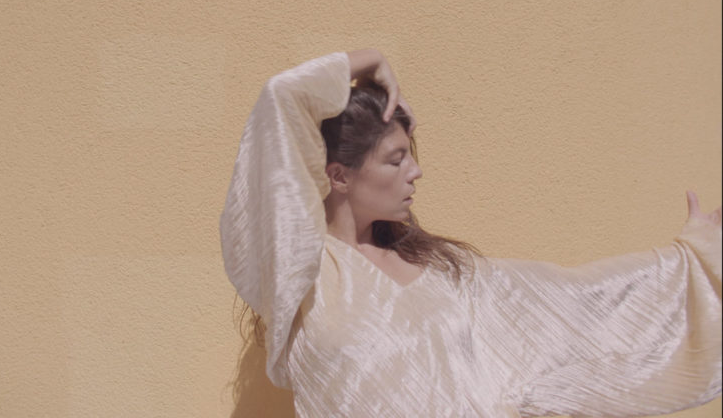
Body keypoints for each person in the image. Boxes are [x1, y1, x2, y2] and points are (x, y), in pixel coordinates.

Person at [220, 49, 721, 417]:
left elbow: (581, 300)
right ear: (339, 176)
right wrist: (371, 58)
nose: (415, 172)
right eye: (396, 159)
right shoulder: (301, 274)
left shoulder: (442, 270)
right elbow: (281, 97)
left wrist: (693, 260)